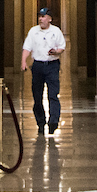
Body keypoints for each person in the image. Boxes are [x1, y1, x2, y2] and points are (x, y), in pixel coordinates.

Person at [21, 7, 66, 136]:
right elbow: (27, 47)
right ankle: (40, 122)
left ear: (50, 19)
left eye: (44, 16)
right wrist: (24, 62)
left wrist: (55, 52)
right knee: (37, 96)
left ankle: (53, 121)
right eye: (40, 16)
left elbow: (61, 47)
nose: (41, 19)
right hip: (38, 66)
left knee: (53, 94)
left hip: (52, 65)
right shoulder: (33, 31)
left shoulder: (56, 31)